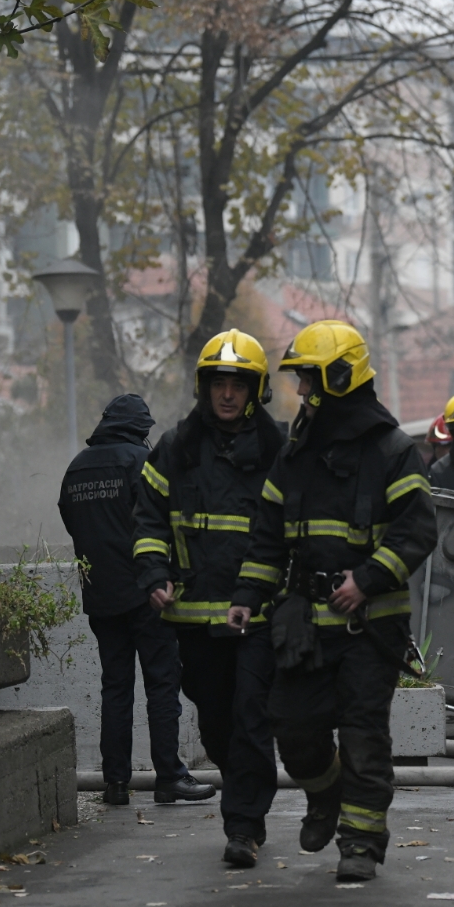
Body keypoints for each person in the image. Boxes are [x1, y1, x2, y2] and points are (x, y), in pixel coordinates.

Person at [226, 320, 438, 883]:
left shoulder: (393, 451)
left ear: (340, 379)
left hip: (371, 624)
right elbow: (267, 535)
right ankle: (327, 795)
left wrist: (367, 580)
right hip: (304, 624)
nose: (301, 392)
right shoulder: (295, 453)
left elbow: (417, 530)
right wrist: (248, 594)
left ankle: (362, 843)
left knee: (365, 733)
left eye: (310, 380)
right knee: (293, 729)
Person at [133, 329, 285, 867]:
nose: (227, 394)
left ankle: (243, 828)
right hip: (194, 619)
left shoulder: (277, 451)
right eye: (219, 383)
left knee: (249, 716)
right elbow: (147, 517)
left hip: (259, 615)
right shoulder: (175, 448)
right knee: (218, 723)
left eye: (238, 385)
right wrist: (154, 573)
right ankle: (245, 791)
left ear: (255, 390)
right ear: (205, 387)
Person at [58, 394, 214, 808]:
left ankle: (116, 784)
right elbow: (159, 520)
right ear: (141, 429)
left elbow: (71, 522)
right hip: (146, 593)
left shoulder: (76, 467)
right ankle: (169, 777)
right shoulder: (140, 462)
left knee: (116, 688)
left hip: (101, 597)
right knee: (162, 683)